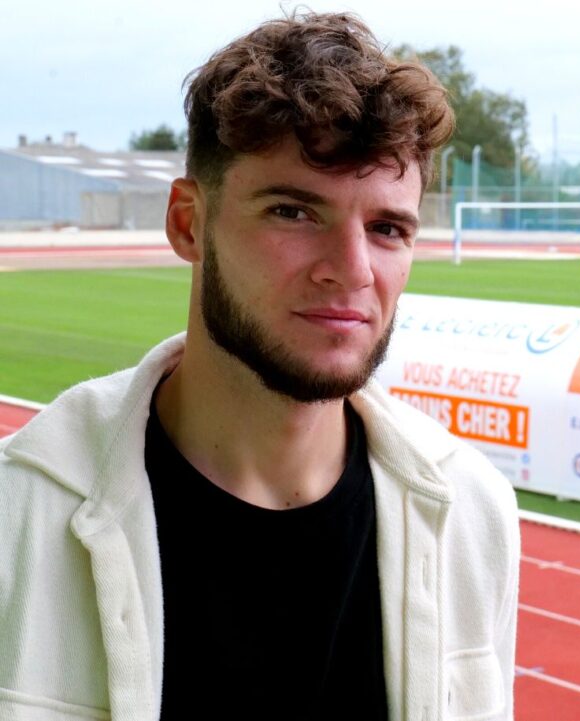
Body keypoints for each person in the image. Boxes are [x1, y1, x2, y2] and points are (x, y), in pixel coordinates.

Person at [0, 12, 519, 721]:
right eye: (294, 212)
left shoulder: (472, 512)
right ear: (189, 224)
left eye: (387, 228)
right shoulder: (19, 516)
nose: (353, 271)